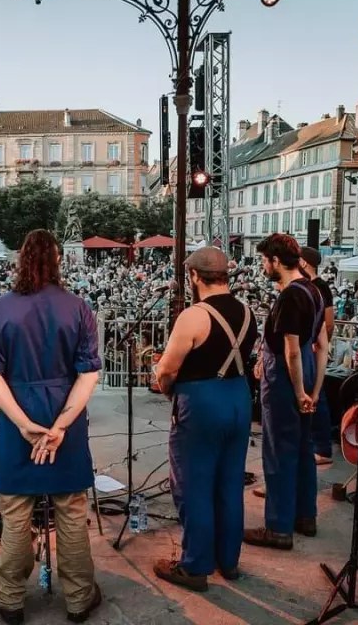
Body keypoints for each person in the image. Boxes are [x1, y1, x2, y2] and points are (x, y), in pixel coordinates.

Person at [0, 229, 102, 625]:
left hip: (18, 414)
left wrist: (23, 424)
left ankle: (10, 599)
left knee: (15, 511)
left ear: (21, 260)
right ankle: (79, 599)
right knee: (71, 509)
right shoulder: (78, 308)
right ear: (58, 260)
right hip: (67, 413)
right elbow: (89, 374)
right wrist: (60, 425)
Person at [152, 247, 258, 592]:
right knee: (229, 483)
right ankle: (228, 561)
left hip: (202, 403)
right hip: (238, 398)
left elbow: (167, 370)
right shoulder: (247, 311)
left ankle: (195, 565)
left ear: (194, 276)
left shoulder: (193, 316)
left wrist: (168, 390)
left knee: (193, 485)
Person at [245, 234, 329, 550]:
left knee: (279, 451)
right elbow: (322, 346)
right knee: (304, 448)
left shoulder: (290, 296)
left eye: (264, 260)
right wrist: (314, 391)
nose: (263, 266)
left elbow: (291, 351)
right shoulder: (314, 290)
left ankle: (278, 527)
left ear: (276, 261)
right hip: (307, 371)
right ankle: (306, 516)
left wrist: (298, 392)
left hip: (286, 378)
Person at [299, 246, 336, 465]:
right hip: (308, 347)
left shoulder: (320, 287)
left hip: (313, 349)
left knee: (316, 395)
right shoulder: (308, 286)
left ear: (304, 263)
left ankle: (322, 449)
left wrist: (319, 344)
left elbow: (329, 323)